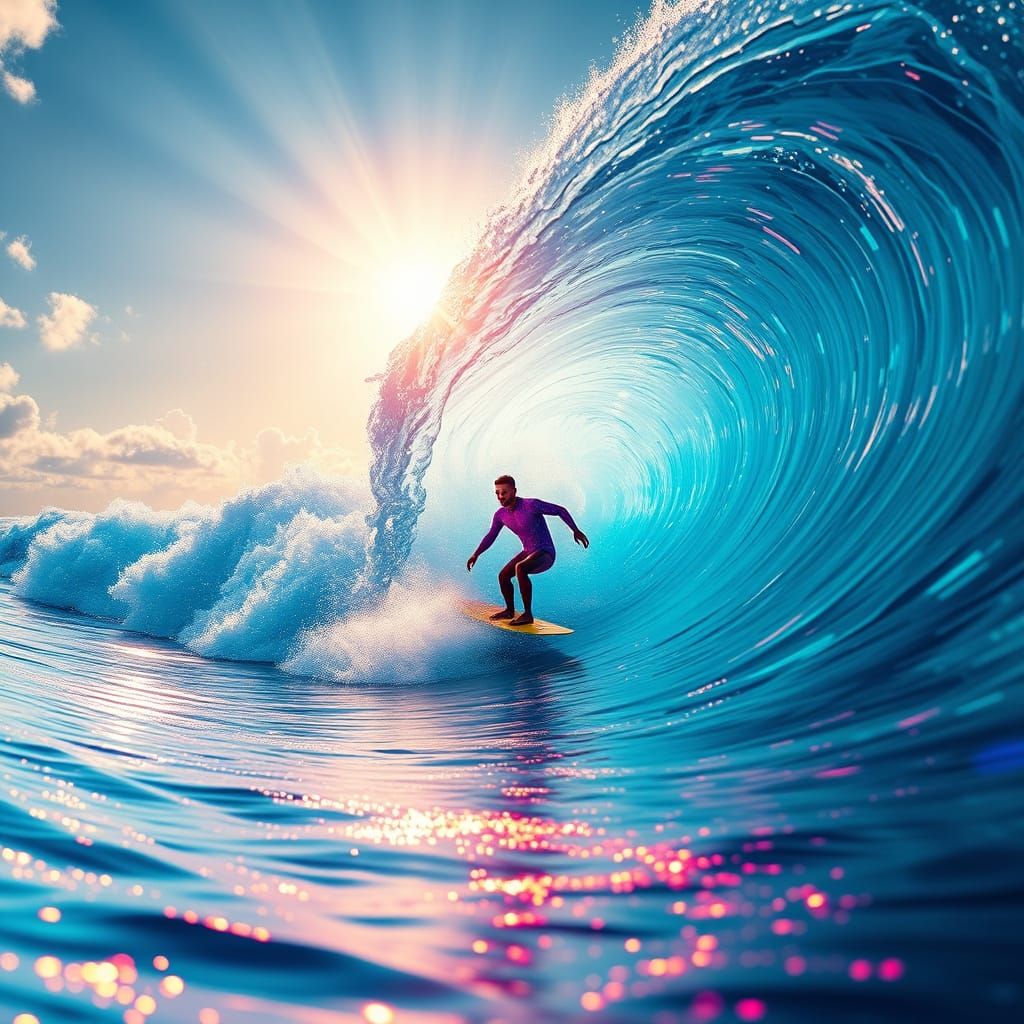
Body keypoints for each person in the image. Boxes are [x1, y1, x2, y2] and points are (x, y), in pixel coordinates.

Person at [466, 474, 589, 626]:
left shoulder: (531, 505)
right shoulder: (500, 515)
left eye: (504, 492)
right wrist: (476, 554)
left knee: (521, 567)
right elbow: (491, 535)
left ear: (514, 491)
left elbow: (560, 510)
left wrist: (575, 530)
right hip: (528, 552)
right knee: (503, 575)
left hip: (545, 553)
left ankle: (527, 614)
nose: (500, 496)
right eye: (497, 493)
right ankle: (509, 610)